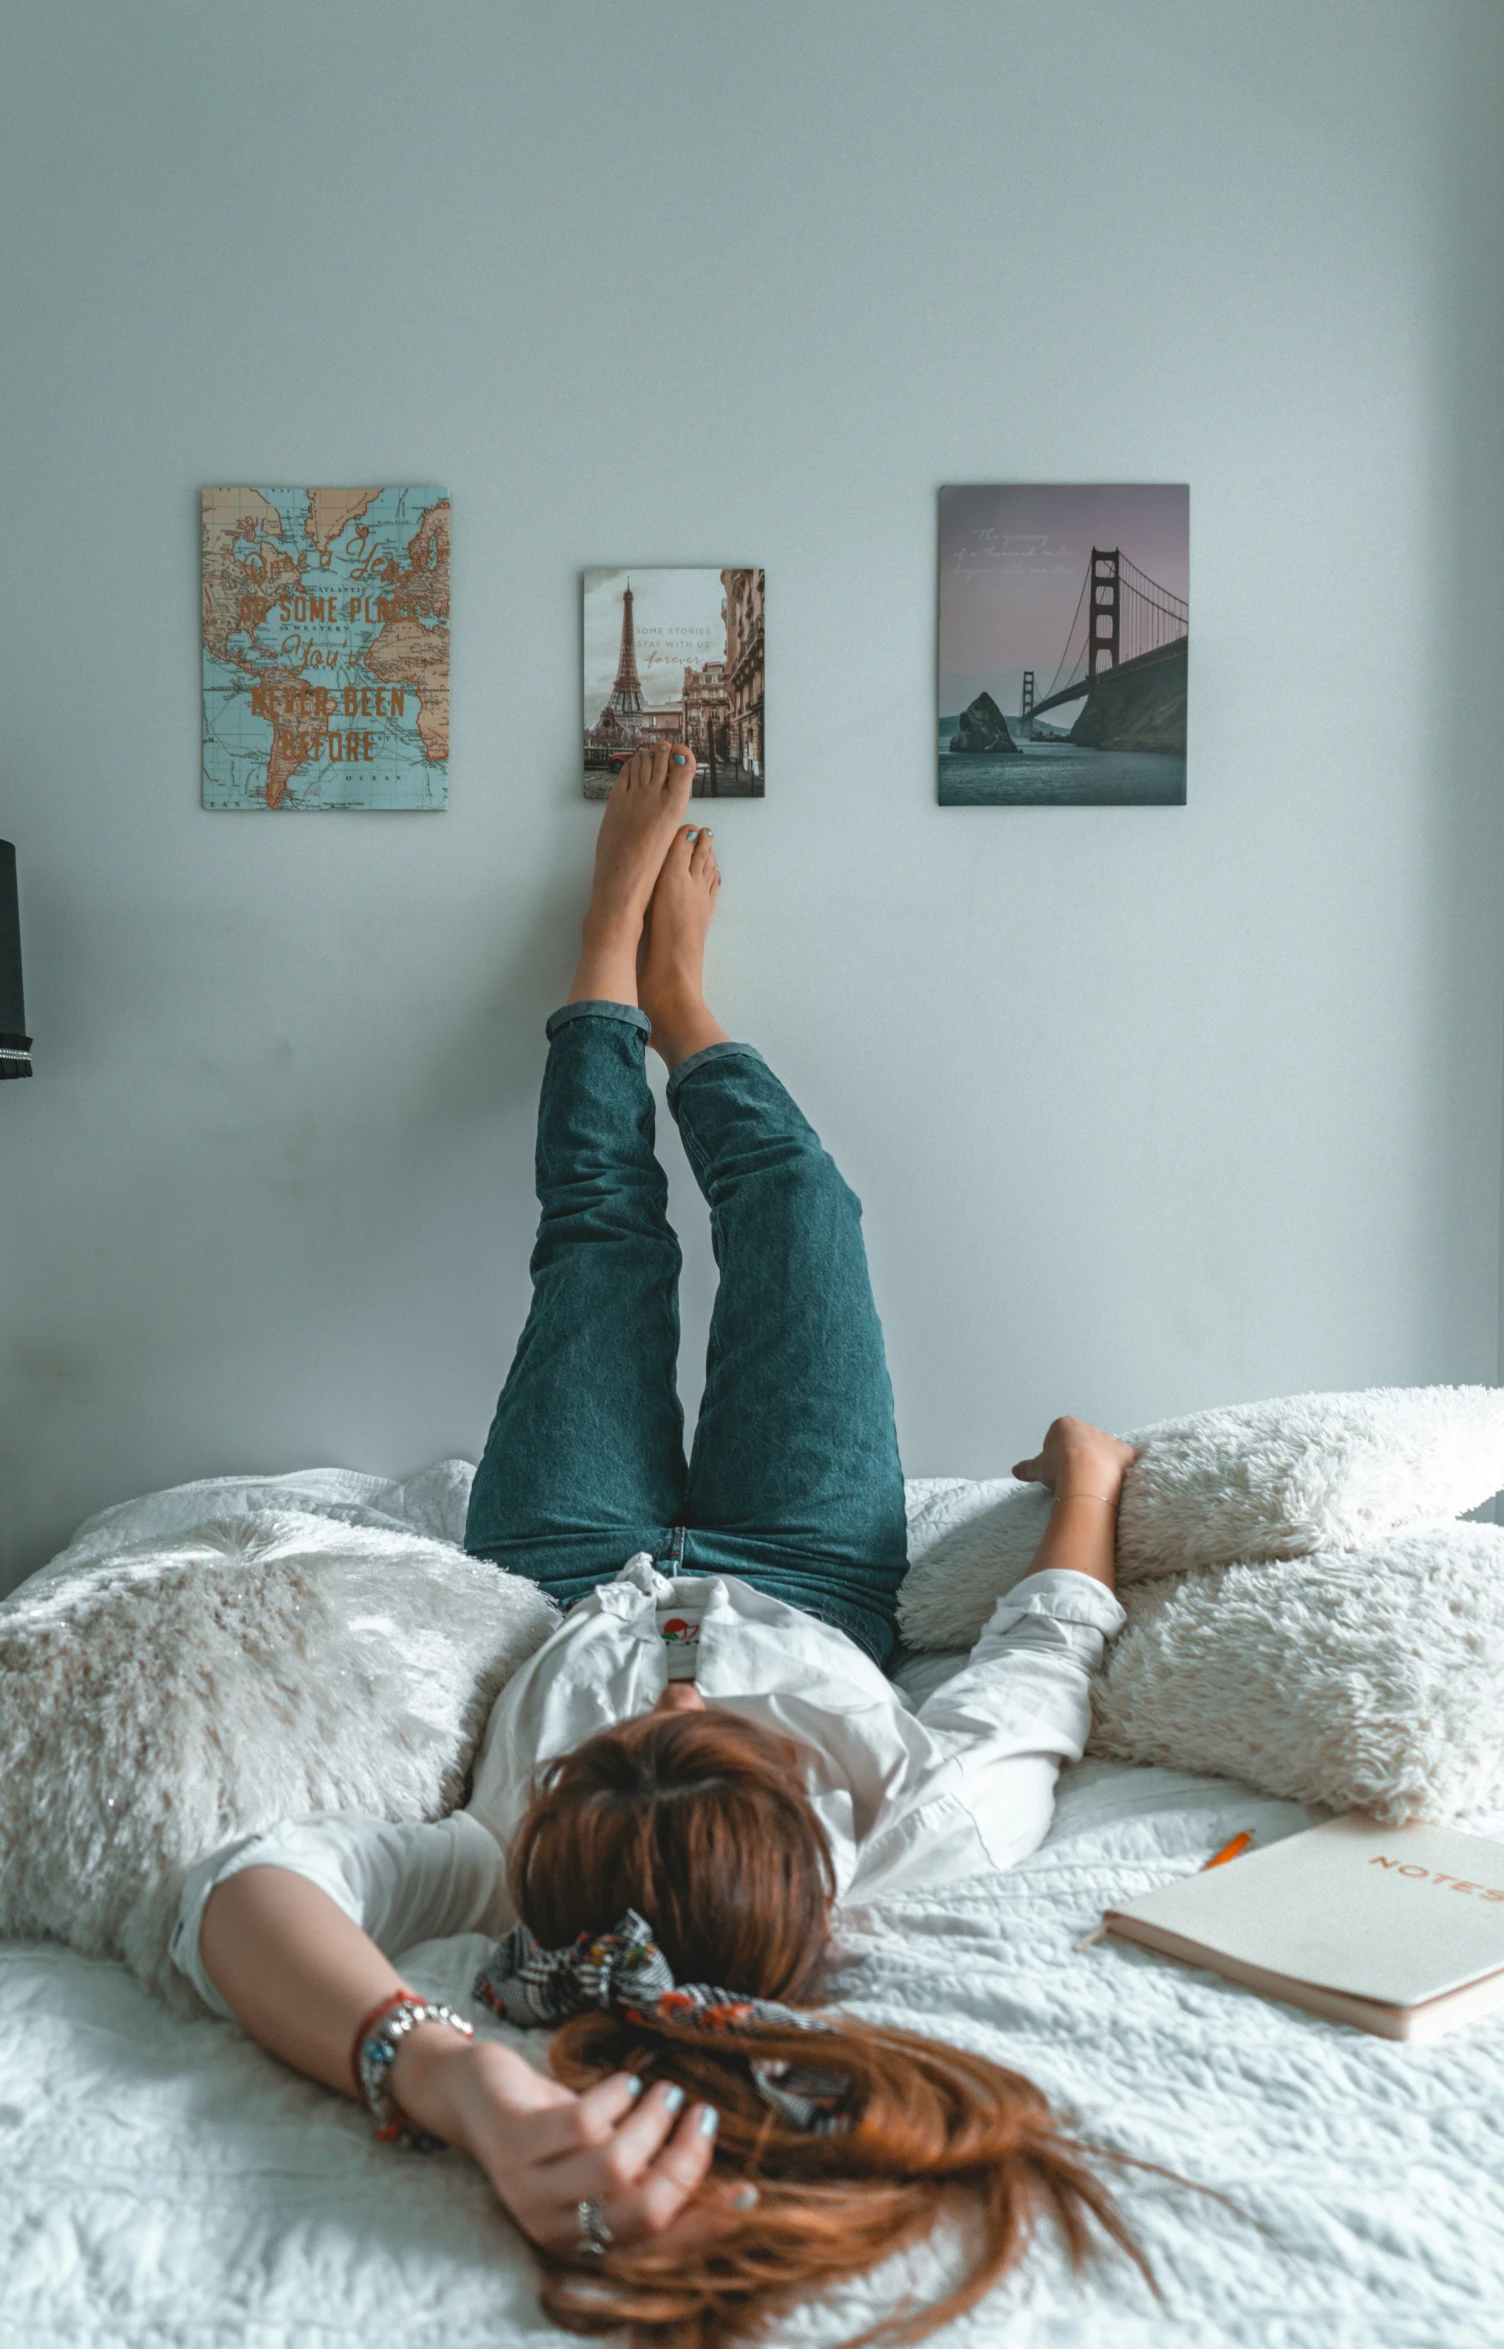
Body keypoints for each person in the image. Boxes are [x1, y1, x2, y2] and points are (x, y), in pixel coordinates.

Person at [173, 744, 1148, 2347]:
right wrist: (1091, 1481)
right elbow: (1044, 1663)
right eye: (720, 1748)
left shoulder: (503, 1887)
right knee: (802, 1214)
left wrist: (457, 2079)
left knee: (604, 1237)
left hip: (561, 1561)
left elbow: (242, 1887)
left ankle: (605, 959)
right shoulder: (914, 1838)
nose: (675, 1702)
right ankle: (685, 1005)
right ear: (808, 1871)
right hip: (815, 1566)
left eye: (610, 1750)